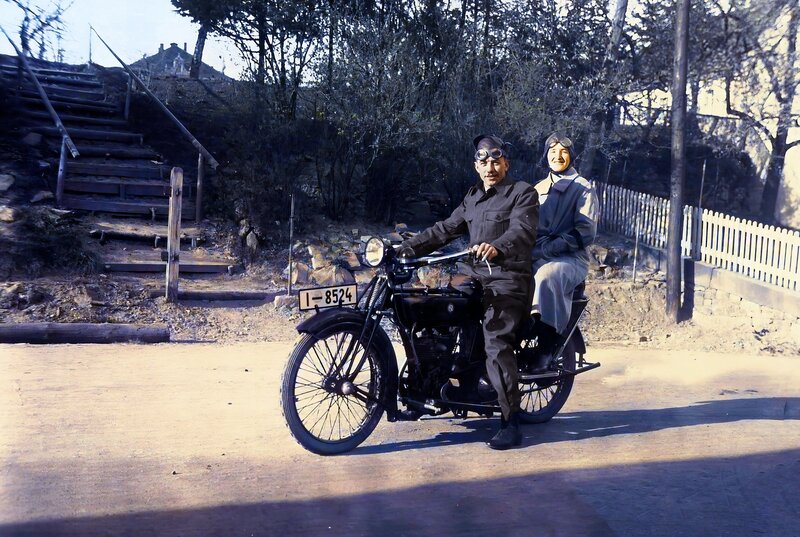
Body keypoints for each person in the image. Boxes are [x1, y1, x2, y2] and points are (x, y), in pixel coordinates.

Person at [399, 134, 539, 450]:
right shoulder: (472, 198)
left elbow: (522, 231)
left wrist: (496, 247)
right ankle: (445, 388)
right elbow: (444, 230)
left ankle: (511, 422)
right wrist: (404, 248)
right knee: (437, 312)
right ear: (476, 166)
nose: (490, 166)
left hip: (508, 281)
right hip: (475, 279)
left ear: (506, 162)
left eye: (496, 159)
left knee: (495, 341)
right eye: (483, 160)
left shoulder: (522, 193)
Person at [530, 133, 598, 371]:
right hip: (537, 252)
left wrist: (552, 247)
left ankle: (547, 345)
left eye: (563, 153)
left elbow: (586, 232)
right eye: (552, 152)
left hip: (570, 257)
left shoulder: (583, 188)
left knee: (547, 276)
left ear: (571, 156)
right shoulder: (537, 188)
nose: (557, 157)